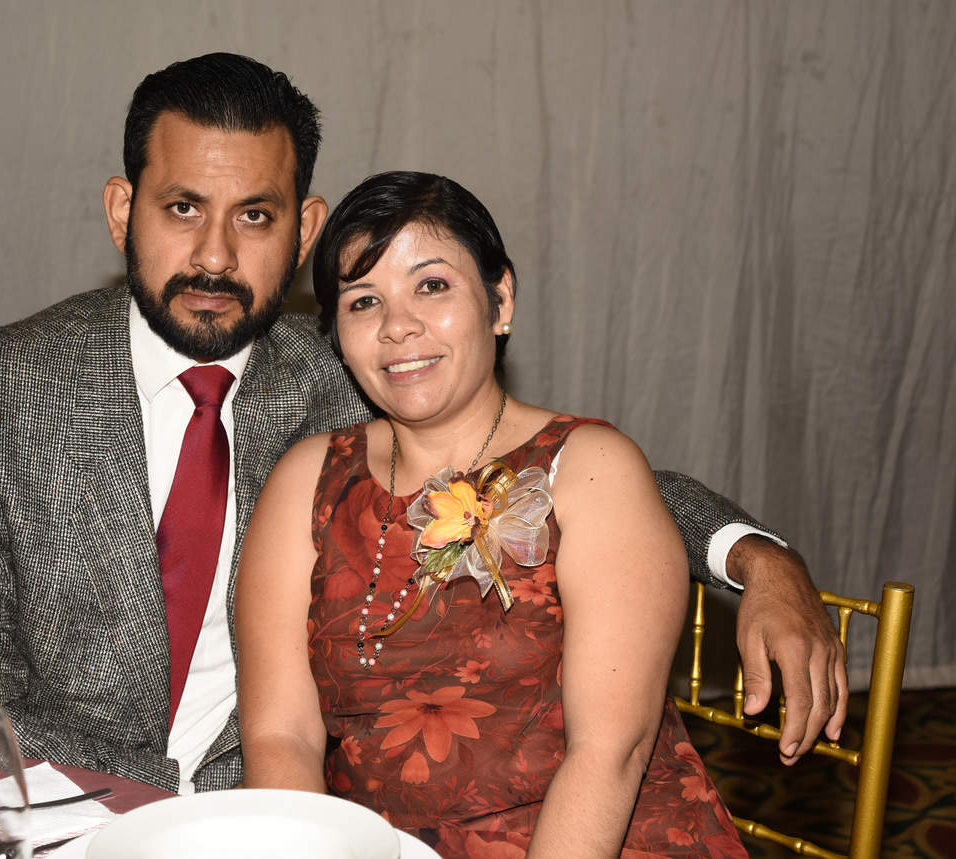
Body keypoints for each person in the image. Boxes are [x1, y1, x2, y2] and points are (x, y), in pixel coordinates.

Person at [0, 52, 844, 796]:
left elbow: (578, 478)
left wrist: (760, 557)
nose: (214, 255)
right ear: (122, 210)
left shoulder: (357, 374)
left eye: (254, 217)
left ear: (304, 232)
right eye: (182, 208)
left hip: (296, 814)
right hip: (59, 812)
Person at [236, 171, 750, 856]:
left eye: (432, 285)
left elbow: (611, 751)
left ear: (500, 300)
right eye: (364, 301)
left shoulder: (590, 469)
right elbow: (282, 736)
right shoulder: (307, 480)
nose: (397, 326)